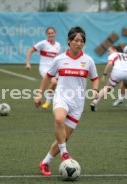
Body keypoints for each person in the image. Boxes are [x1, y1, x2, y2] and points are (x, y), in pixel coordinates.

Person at [34, 26, 99, 176]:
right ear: (69, 41)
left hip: (78, 103)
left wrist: (95, 90)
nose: (79, 43)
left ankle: (45, 163)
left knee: (65, 137)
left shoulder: (88, 60)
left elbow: (95, 78)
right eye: (76, 40)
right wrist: (39, 94)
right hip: (61, 97)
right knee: (59, 119)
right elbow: (48, 76)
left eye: (82, 41)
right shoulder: (59, 59)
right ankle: (65, 154)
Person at [90, 45, 127, 111]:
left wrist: (104, 75)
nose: (108, 53)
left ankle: (94, 102)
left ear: (115, 50)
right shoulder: (126, 55)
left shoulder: (113, 54)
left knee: (108, 88)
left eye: (109, 51)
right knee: (126, 87)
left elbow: (110, 63)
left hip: (118, 72)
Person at [26, 27, 61, 109]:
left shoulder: (58, 45)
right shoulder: (43, 43)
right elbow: (30, 50)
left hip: (54, 69)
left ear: (55, 33)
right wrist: (28, 63)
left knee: (56, 84)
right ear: (46, 35)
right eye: (49, 33)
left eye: (52, 33)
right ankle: (45, 100)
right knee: (54, 82)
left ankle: (45, 101)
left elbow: (57, 58)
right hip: (44, 68)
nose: (51, 35)